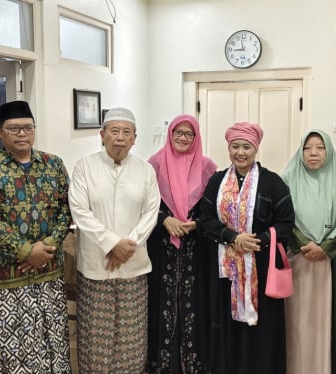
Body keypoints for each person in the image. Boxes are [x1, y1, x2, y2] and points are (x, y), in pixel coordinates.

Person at [0, 101, 72, 373]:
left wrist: (47, 246)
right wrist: (26, 252)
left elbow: (67, 209)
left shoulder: (54, 165)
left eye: (27, 127)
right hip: (5, 276)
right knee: (11, 351)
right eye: (14, 128)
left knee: (52, 343)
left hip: (49, 269)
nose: (22, 134)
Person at [69, 107, 160, 373]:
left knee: (130, 338)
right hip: (96, 267)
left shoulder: (145, 170)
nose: (120, 137)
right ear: (102, 134)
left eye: (126, 132)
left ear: (135, 138)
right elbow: (80, 211)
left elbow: (151, 212)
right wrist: (111, 244)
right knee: (95, 338)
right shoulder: (84, 167)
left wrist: (128, 245)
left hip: (133, 266)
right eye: (114, 131)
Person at [200, 122, 295, 374]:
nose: (240, 152)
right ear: (228, 149)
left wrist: (258, 240)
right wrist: (232, 237)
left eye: (246, 147)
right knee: (226, 325)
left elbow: (285, 223)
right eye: (235, 147)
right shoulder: (216, 181)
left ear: (256, 149)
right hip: (225, 272)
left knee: (262, 330)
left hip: (261, 270)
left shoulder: (273, 183)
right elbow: (206, 219)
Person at [146, 114, 217, 373]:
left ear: (196, 138)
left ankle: (194, 363)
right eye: (178, 132)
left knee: (195, 302)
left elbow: (213, 209)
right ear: (170, 134)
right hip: (161, 247)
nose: (183, 138)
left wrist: (196, 223)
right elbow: (146, 204)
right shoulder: (153, 165)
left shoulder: (208, 167)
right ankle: (161, 363)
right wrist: (165, 220)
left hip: (195, 249)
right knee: (160, 301)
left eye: (189, 134)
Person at [281, 130, 336, 374]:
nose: (313, 153)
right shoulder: (288, 178)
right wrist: (303, 243)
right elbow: (282, 217)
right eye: (307, 148)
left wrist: (325, 247)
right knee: (298, 321)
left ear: (329, 151)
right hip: (297, 260)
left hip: (333, 260)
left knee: (330, 322)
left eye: (320, 147)